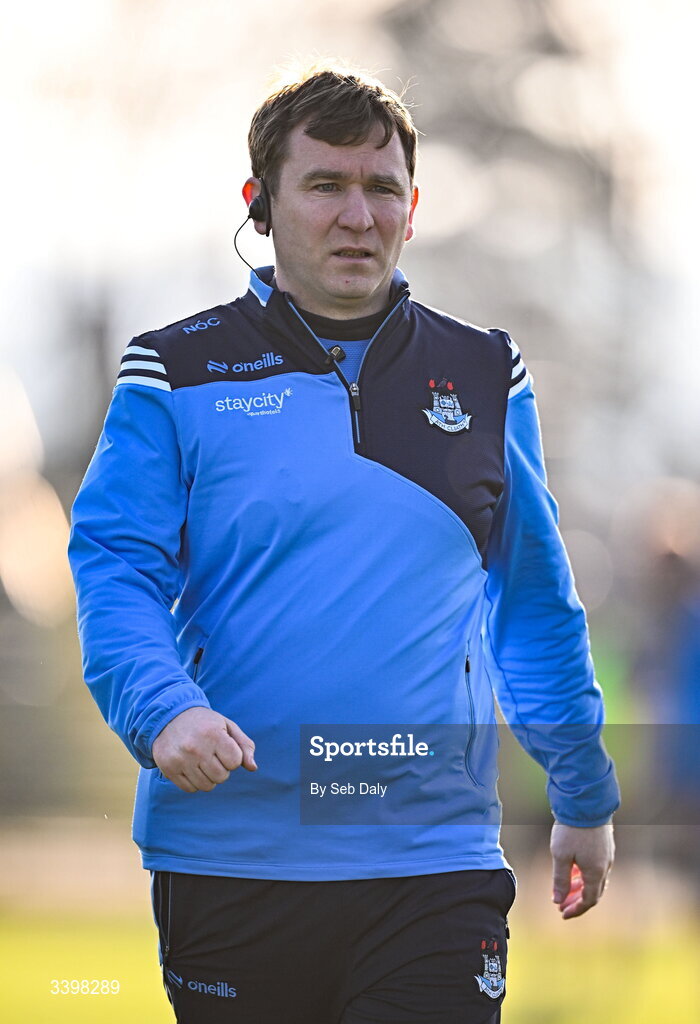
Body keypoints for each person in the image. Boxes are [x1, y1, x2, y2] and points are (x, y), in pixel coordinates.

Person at [68, 62, 620, 1024]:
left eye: (382, 188)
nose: (358, 215)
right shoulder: (173, 368)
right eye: (325, 185)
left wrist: (582, 788)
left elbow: (531, 598)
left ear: (415, 204)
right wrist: (162, 713)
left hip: (433, 861)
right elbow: (114, 568)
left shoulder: (487, 373)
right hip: (231, 855)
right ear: (262, 203)